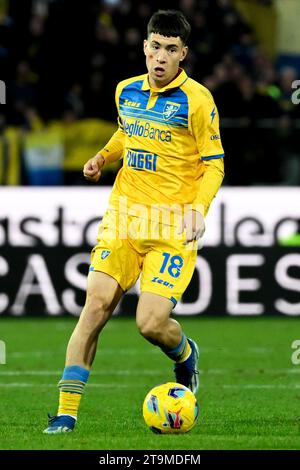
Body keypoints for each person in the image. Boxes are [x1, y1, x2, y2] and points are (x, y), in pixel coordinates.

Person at [44, 9, 224, 434]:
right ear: (145, 47)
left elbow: (214, 165)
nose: (161, 56)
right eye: (155, 47)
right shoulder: (126, 90)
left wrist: (198, 209)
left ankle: (184, 354)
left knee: (150, 323)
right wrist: (103, 157)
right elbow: (128, 133)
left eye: (171, 49)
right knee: (96, 306)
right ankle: (66, 414)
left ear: (184, 55)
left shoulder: (198, 101)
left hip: (173, 225)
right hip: (123, 217)